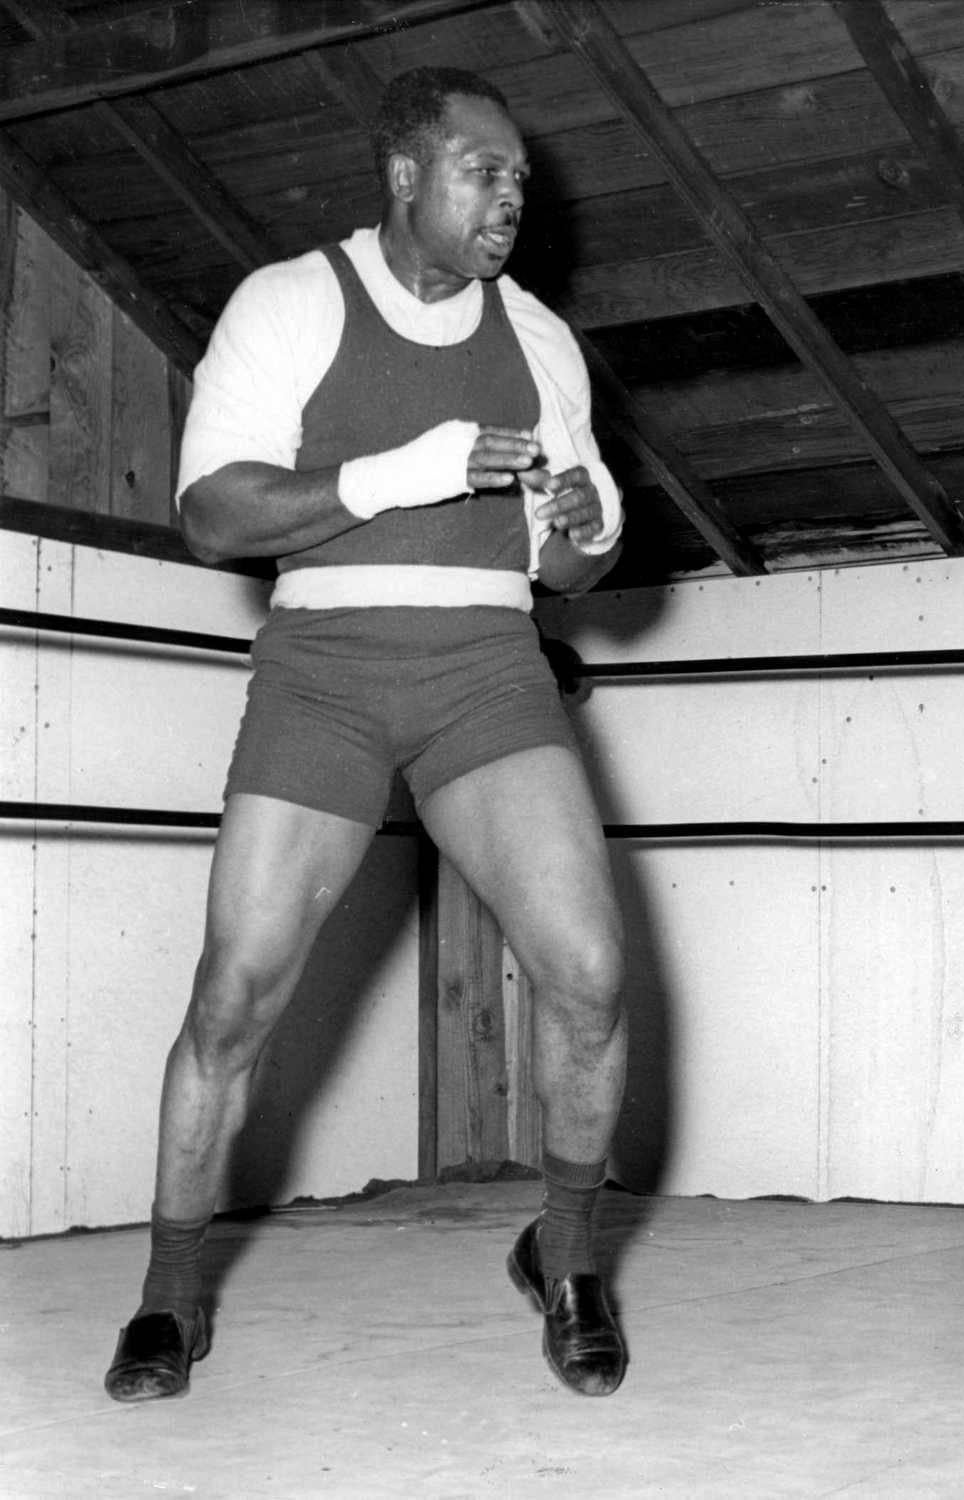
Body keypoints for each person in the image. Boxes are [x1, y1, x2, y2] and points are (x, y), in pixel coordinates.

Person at [104, 66, 632, 1403]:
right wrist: (406, 472)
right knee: (235, 998)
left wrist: (584, 526)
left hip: (485, 671)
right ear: (404, 177)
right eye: (481, 169)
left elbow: (571, 573)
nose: (510, 194)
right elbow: (213, 516)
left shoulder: (543, 339)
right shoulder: (288, 304)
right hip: (323, 673)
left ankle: (564, 1257)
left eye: (519, 177)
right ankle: (170, 1295)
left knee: (589, 974)